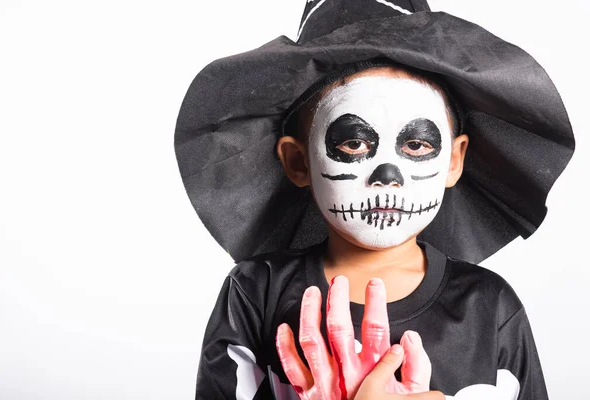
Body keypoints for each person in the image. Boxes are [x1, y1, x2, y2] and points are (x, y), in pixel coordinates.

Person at [174, 1, 575, 398]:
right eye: (354, 143)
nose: (388, 176)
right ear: (298, 161)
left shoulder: (489, 307)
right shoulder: (255, 294)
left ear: (454, 160)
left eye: (416, 144)